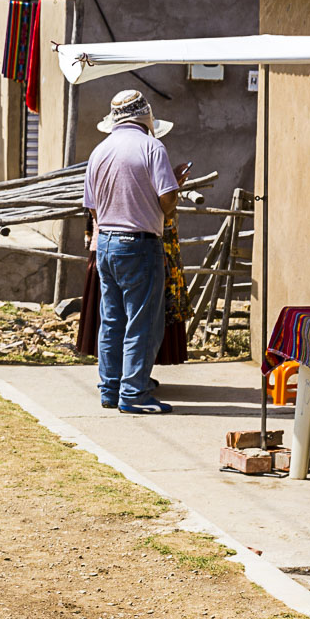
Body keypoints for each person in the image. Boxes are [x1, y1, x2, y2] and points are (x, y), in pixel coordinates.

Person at [83, 89, 181, 414]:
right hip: (139, 243)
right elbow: (167, 200)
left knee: (112, 320)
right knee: (142, 321)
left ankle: (110, 389)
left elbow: (93, 208)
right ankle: (134, 393)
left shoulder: (99, 151)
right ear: (146, 116)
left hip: (106, 243)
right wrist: (174, 189)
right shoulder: (152, 147)